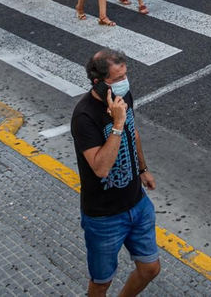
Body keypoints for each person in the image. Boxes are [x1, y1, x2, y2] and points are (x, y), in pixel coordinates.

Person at [71, 49, 160, 297]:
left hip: (137, 203)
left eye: (125, 76)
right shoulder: (84, 116)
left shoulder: (123, 98)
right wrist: (117, 124)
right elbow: (100, 167)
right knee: (101, 283)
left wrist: (143, 169)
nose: (124, 83)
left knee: (150, 268)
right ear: (98, 83)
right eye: (117, 79)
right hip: (104, 217)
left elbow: (133, 133)